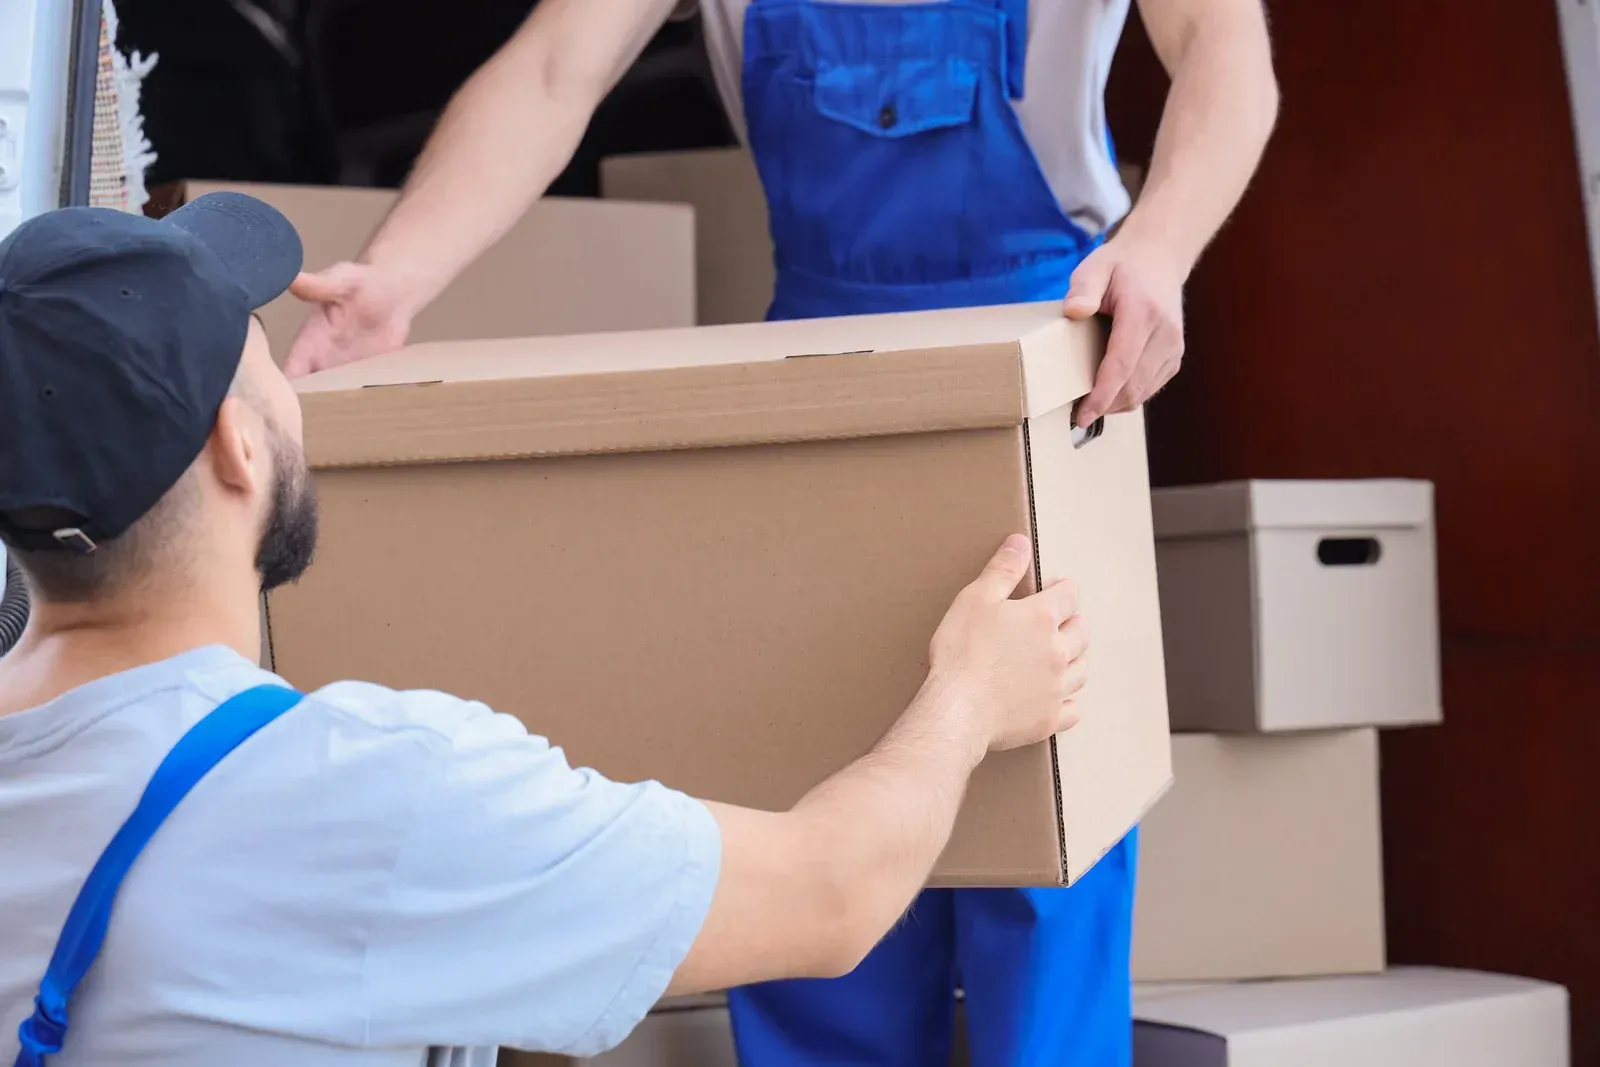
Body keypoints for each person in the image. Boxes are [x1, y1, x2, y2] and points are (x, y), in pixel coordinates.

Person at [283, 1, 1278, 1064]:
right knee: (807, 798)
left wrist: (1159, 248)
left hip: (1053, 352)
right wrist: (394, 279)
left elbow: (1225, 51)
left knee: (1042, 854)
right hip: (819, 369)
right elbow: (551, 71)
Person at [0, 196, 1091, 1065]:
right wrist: (970, 699)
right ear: (237, 447)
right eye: (264, 358)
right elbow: (829, 891)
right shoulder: (371, 795)